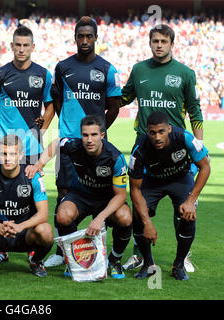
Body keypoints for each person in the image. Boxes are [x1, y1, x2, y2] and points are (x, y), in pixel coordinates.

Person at [121, 24, 204, 272]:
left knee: (185, 208)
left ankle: (184, 256)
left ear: (172, 44)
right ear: (150, 43)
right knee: (140, 206)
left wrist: (197, 146)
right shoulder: (138, 70)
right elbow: (124, 97)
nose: (159, 45)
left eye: (163, 41)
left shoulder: (185, 74)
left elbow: (195, 111)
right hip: (145, 145)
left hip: (176, 148)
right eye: (155, 41)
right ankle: (139, 256)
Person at [45, 16, 122, 268]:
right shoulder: (62, 67)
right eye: (81, 36)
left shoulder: (107, 69)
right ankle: (63, 250)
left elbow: (114, 107)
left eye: (89, 36)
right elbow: (57, 100)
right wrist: (68, 127)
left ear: (96, 38)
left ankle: (101, 246)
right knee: (65, 192)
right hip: (69, 143)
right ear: (75, 38)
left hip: (97, 147)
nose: (85, 40)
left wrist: (98, 135)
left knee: (103, 190)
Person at [27, 115, 132, 279]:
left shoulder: (115, 158)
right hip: (81, 194)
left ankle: (114, 260)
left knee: (125, 217)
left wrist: (100, 218)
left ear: (102, 135)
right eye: (85, 135)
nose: (89, 140)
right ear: (81, 135)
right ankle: (75, 259)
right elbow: (56, 144)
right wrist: (38, 165)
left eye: (94, 135)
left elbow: (120, 195)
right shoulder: (74, 145)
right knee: (62, 215)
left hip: (107, 199)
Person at [0, 25, 54, 265]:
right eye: (18, 45)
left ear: (33, 47)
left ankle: (31, 245)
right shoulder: (0, 73)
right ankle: (0, 246)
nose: (22, 49)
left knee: (31, 197)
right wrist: (2, 135)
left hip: (32, 150)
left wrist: (40, 130)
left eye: (26, 45)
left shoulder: (44, 74)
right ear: (12, 46)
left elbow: (50, 105)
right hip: (3, 148)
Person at [128, 111, 210, 280]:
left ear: (169, 129)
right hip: (153, 181)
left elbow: (205, 167)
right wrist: (147, 222)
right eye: (152, 132)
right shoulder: (139, 149)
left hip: (181, 179)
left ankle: (179, 265)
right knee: (137, 215)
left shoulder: (184, 137)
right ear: (147, 132)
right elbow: (135, 190)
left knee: (188, 215)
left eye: (161, 132)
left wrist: (191, 200)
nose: (157, 137)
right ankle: (148, 265)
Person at [0, 134, 53, 277]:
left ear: (20, 155)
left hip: (24, 234)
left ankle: (36, 261)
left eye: (12, 154)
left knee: (46, 231)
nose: (7, 158)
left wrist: (21, 226)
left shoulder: (32, 176)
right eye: (4, 154)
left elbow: (43, 214)